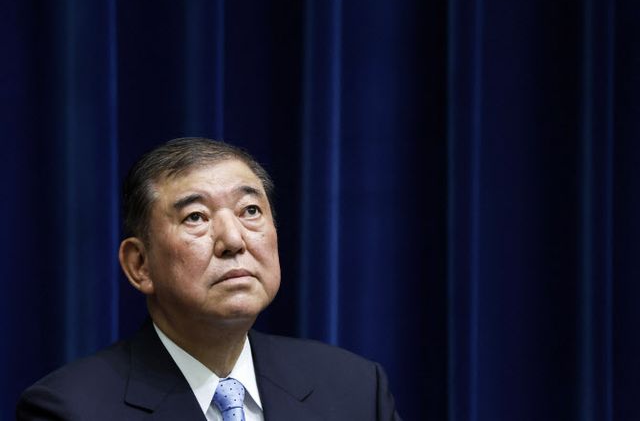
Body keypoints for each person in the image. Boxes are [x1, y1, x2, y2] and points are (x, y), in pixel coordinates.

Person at [16, 137, 402, 420]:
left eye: (250, 210)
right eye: (196, 217)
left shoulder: (355, 389)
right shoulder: (69, 409)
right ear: (140, 265)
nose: (233, 240)